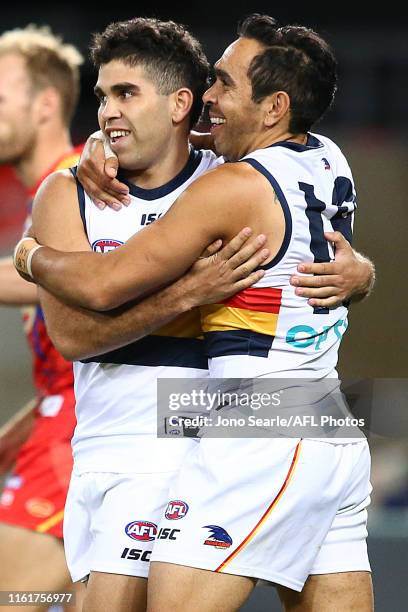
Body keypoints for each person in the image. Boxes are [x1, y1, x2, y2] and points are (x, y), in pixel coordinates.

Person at [15, 15, 376, 612]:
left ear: (273, 107)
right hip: (313, 412)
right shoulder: (323, 155)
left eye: (224, 85)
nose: (212, 98)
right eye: (103, 95)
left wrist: (29, 256)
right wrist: (359, 272)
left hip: (238, 422)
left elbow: (103, 287)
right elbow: (73, 337)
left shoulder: (227, 183)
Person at [0, 25, 84, 609]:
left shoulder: (84, 178)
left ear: (46, 103)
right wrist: (18, 431)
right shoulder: (46, 197)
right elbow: (73, 363)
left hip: (83, 438)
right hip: (61, 426)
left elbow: (86, 278)